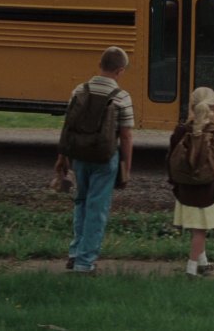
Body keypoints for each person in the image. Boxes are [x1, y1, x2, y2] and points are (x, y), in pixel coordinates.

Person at [60, 46, 134, 274]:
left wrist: (62, 157)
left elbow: (68, 127)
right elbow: (126, 135)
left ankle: (75, 253)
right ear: (120, 71)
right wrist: (126, 167)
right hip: (105, 157)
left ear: (100, 65)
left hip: (79, 156)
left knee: (80, 202)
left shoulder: (79, 91)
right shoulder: (121, 97)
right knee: (97, 208)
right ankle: (85, 262)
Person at [168, 87, 214, 277]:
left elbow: (170, 160)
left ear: (191, 106)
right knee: (200, 231)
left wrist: (174, 183)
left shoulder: (180, 131)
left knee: (198, 228)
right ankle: (191, 268)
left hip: (185, 191)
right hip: (210, 191)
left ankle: (203, 261)